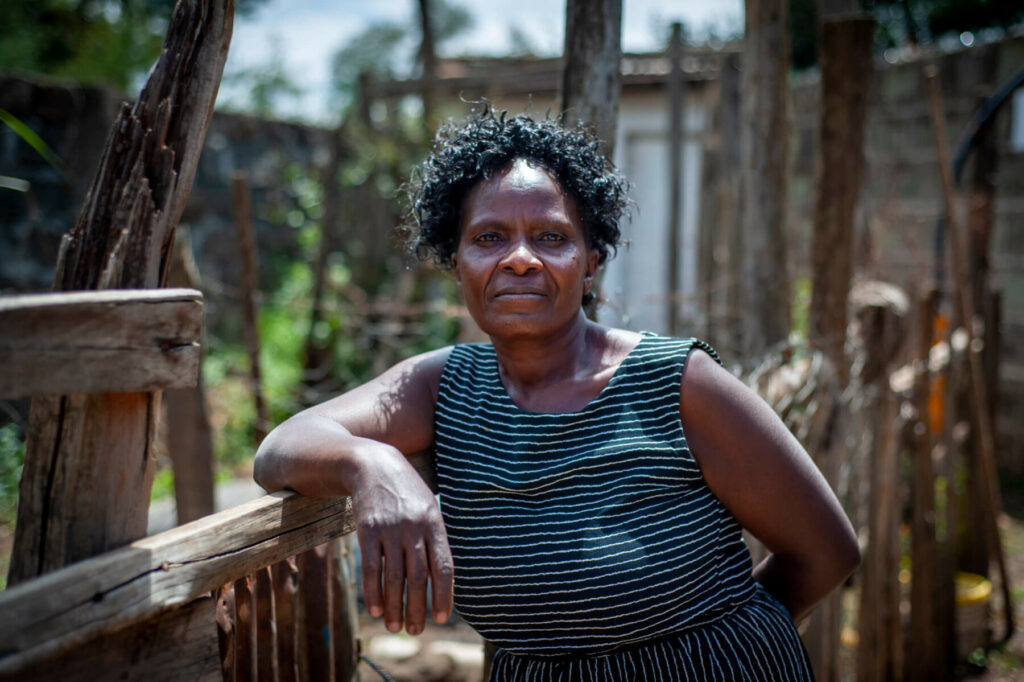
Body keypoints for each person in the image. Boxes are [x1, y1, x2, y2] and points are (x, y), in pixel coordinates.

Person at [254, 110, 860, 680]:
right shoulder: (442, 386)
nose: (520, 259)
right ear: (456, 261)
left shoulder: (675, 382)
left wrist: (721, 642)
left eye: (551, 236)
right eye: (489, 238)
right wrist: (371, 462)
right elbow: (281, 446)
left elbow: (826, 552)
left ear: (590, 264)